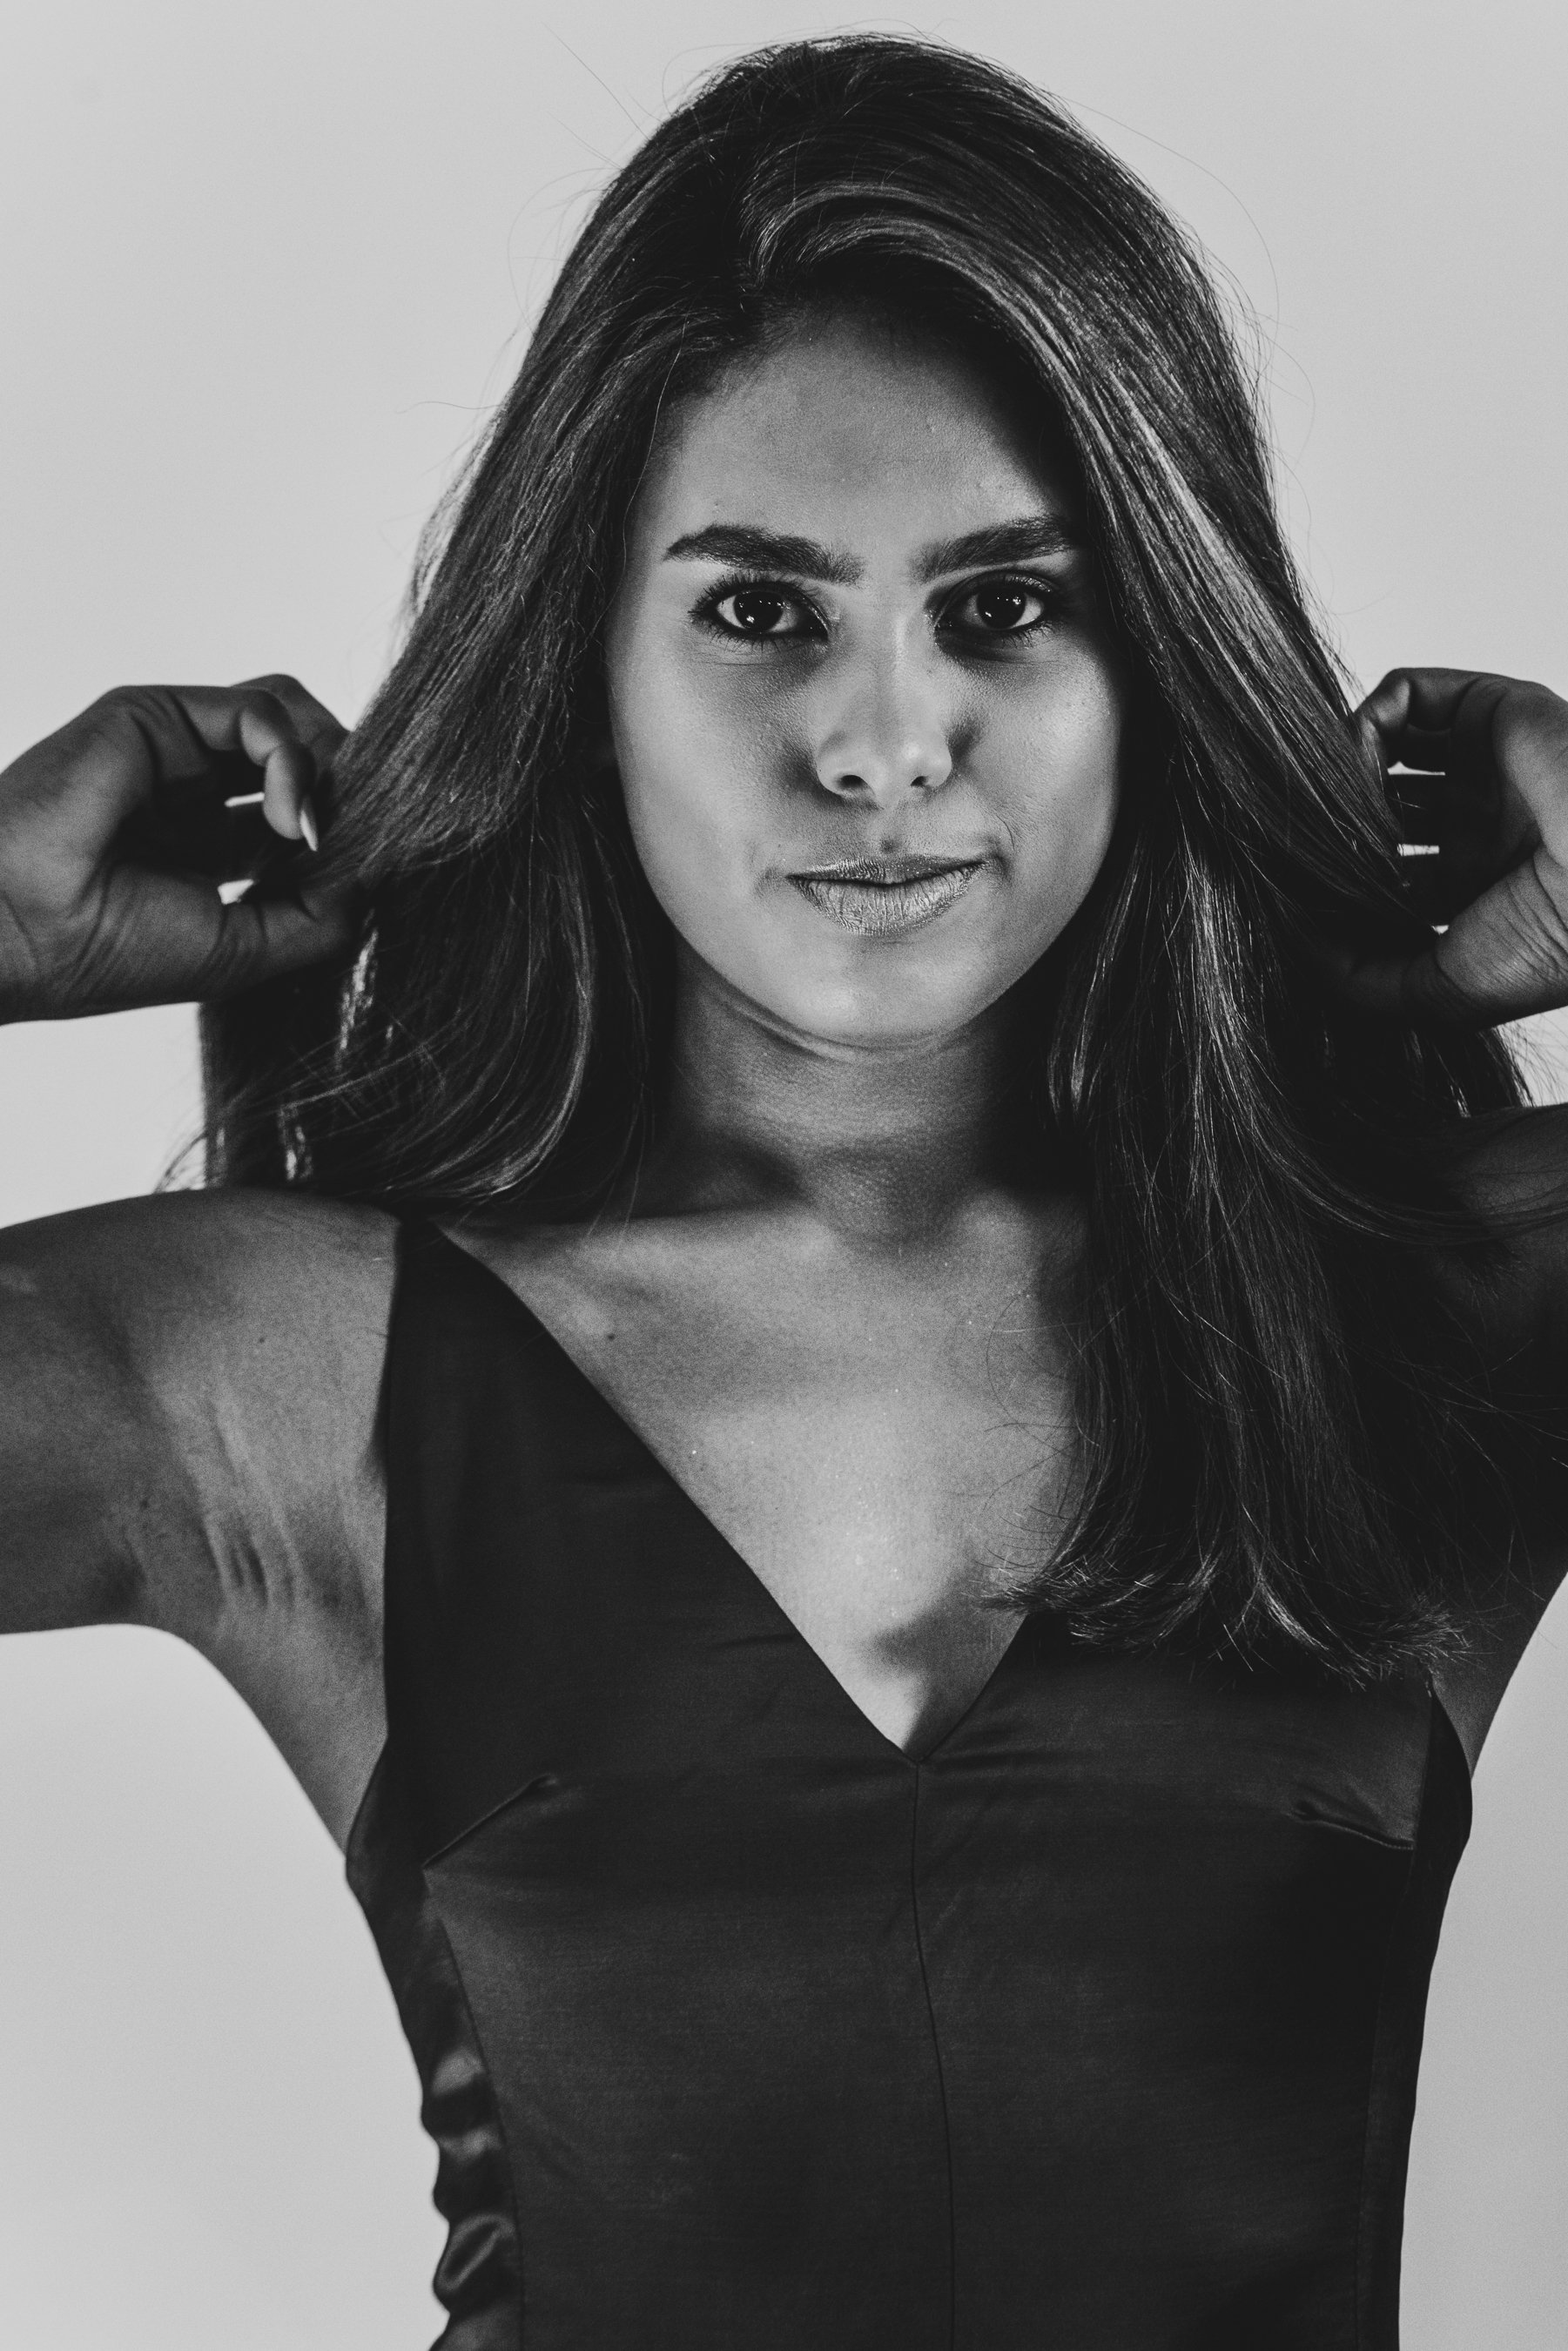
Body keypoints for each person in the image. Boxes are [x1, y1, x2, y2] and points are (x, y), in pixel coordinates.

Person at [3, 30, 1566, 2349]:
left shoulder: (1437, 1301)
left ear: (1158, 656)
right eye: (760, 608)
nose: (879, 743)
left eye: (1003, 603)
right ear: (587, 668)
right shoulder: (293, 1367)